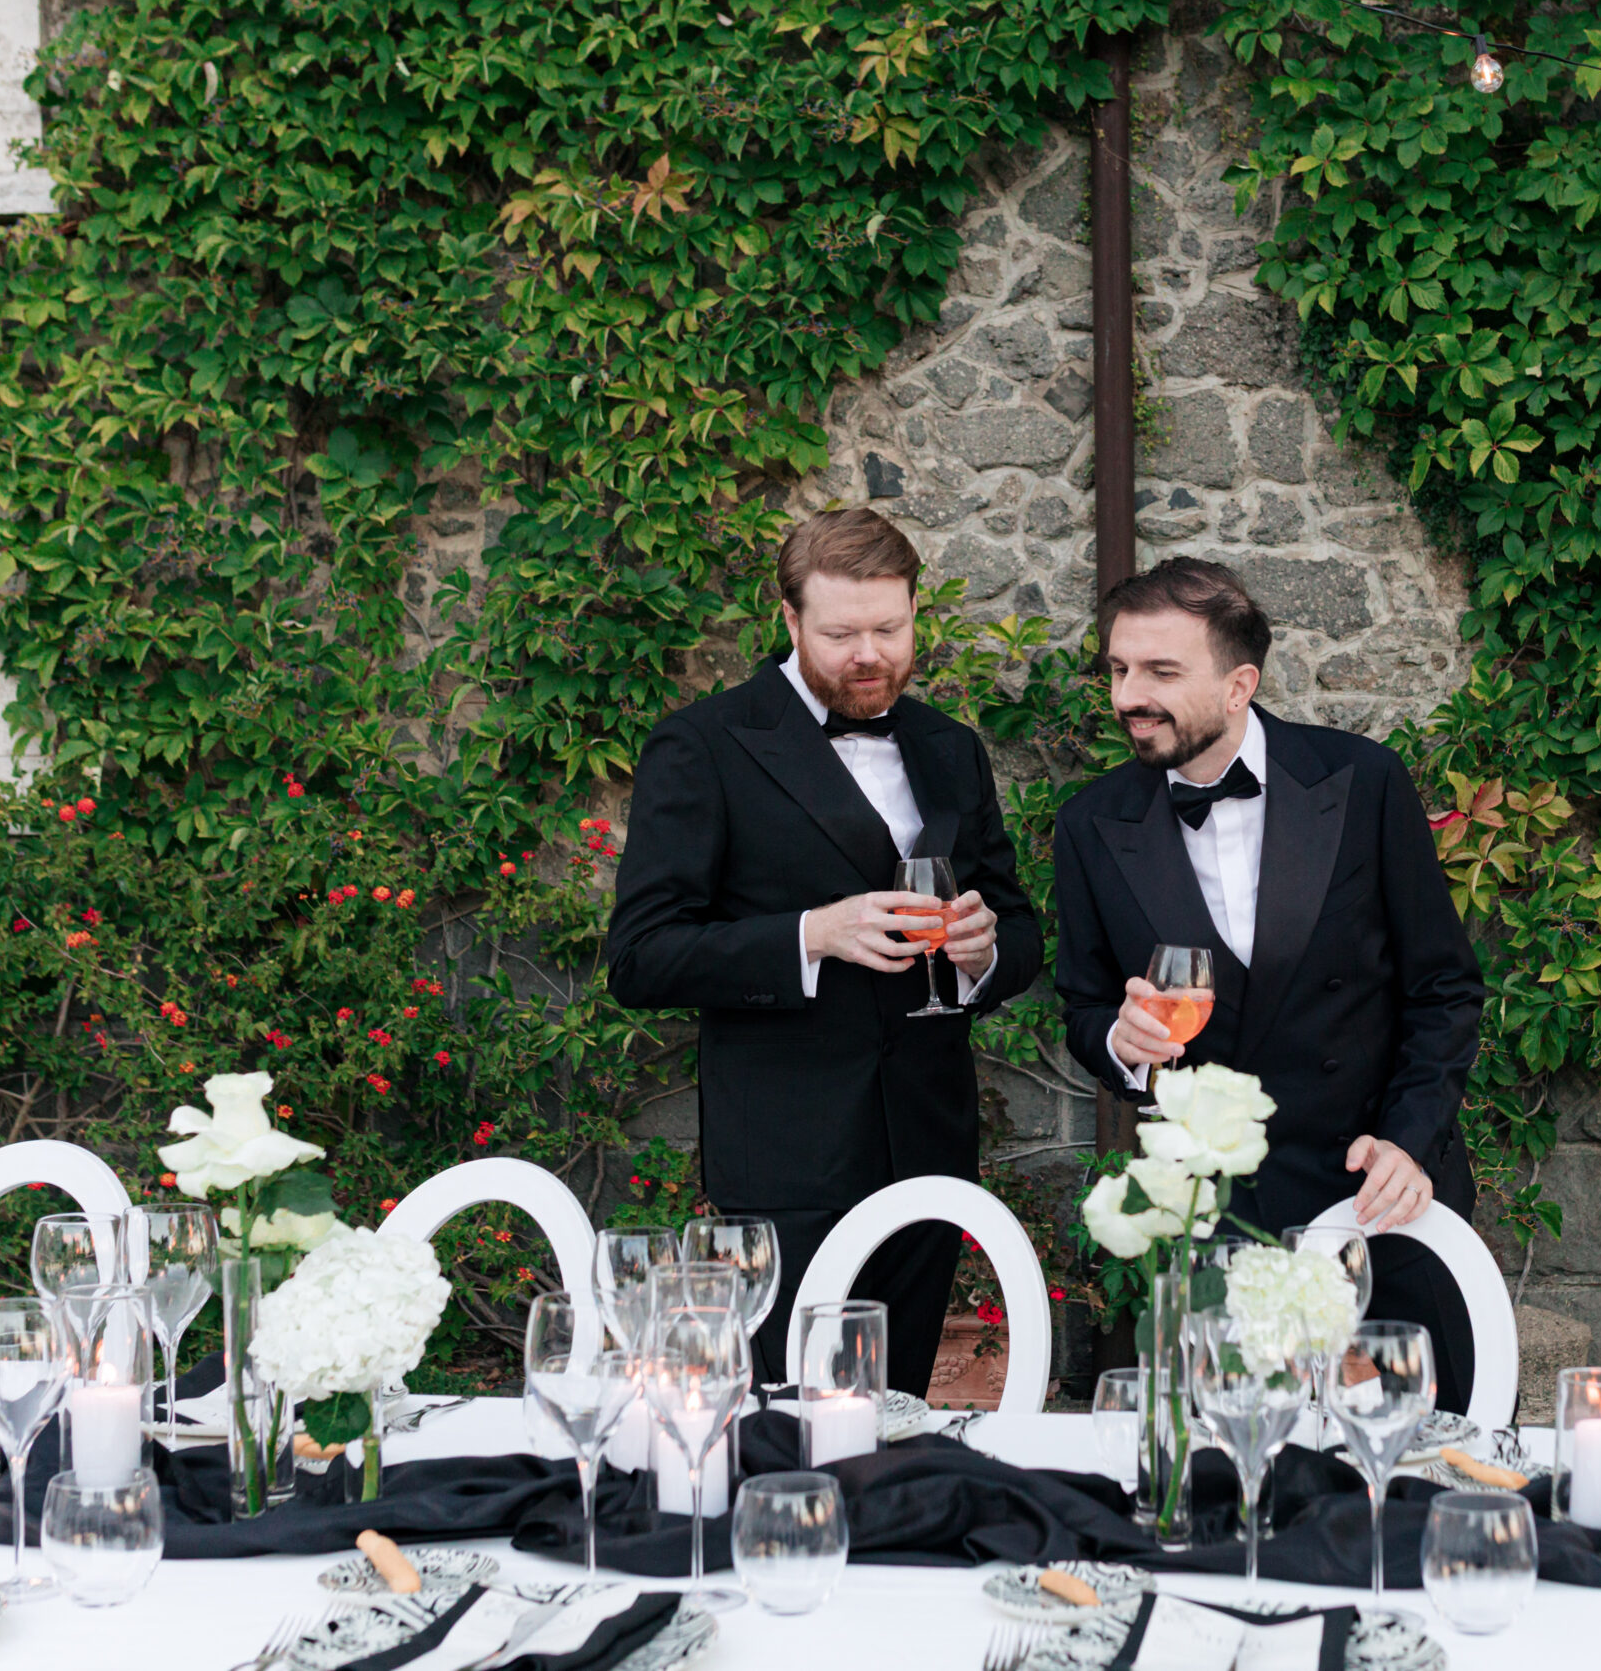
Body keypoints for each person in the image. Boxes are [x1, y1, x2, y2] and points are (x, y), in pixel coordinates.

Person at [607, 508, 1042, 1390]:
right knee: (790, 1425)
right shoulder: (705, 743)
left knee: (901, 1417)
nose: (869, 654)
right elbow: (641, 955)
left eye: (890, 629)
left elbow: (1020, 929)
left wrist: (982, 951)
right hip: (786, 1162)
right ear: (790, 618)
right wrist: (813, 934)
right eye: (841, 634)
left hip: (930, 1148)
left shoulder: (950, 748)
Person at [1051, 557, 1489, 1404]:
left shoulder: (1362, 782)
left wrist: (1408, 1140)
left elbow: (1443, 989)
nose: (1128, 695)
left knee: (1431, 1455)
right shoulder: (1091, 823)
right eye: (1119, 668)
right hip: (1223, 1223)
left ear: (1239, 685)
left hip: (1382, 1196)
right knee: (1244, 1464)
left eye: (1160, 672)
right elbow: (1083, 1006)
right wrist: (1120, 1039)